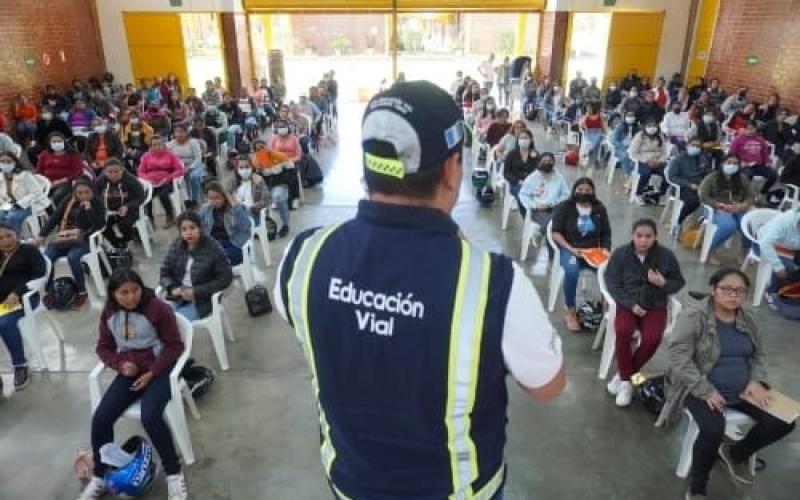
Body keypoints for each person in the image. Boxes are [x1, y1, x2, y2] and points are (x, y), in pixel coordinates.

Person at [274, 80, 564, 499]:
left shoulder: (302, 257)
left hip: (351, 483)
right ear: (451, 169)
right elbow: (548, 385)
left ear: (369, 165)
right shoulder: (494, 283)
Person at [659, 268, 796, 499]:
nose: (733, 295)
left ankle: (734, 453)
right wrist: (705, 390)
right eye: (727, 289)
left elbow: (759, 354)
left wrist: (756, 380)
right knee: (713, 430)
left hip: (744, 389)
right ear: (713, 290)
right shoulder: (694, 317)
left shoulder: (748, 317)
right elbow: (678, 357)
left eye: (740, 291)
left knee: (784, 421)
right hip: (699, 387)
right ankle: (698, 486)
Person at [76, 269, 188, 500]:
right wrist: (121, 364)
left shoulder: (158, 308)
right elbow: (104, 347)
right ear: (113, 294)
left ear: (141, 288)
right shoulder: (109, 313)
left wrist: (153, 372)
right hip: (131, 371)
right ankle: (99, 476)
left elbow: (175, 346)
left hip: (160, 369)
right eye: (123, 293)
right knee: (101, 417)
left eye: (135, 290)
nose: (131, 297)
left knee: (150, 416)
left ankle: (173, 473)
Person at [604, 218, 685, 407]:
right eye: (639, 236)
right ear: (632, 236)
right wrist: (631, 304)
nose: (643, 240)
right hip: (627, 304)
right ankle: (630, 381)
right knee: (623, 331)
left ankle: (623, 377)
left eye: (648, 236)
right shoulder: (620, 254)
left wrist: (663, 283)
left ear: (655, 237)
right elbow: (613, 284)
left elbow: (679, 282)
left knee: (653, 338)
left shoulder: (666, 256)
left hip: (655, 304)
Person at [551, 177, 612, 331]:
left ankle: (607, 307)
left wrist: (605, 249)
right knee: (571, 271)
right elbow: (556, 233)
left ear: (593, 192)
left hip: (593, 251)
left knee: (609, 270)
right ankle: (570, 310)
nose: (584, 193)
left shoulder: (599, 208)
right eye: (580, 190)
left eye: (587, 190)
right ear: (574, 191)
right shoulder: (565, 207)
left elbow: (606, 233)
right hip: (570, 248)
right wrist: (570, 248)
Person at [36, 179, 105, 309]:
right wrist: (42, 235)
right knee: (47, 257)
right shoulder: (69, 200)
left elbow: (99, 225)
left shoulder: (97, 203)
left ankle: (82, 292)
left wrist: (89, 210)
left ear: (92, 191)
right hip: (65, 237)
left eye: (87, 192)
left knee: (73, 257)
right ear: (75, 193)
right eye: (80, 193)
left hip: (85, 239)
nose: (83, 195)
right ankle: (49, 290)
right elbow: (55, 217)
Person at [160, 211, 233, 321]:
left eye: (192, 228)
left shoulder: (213, 248)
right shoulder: (177, 245)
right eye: (184, 229)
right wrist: (172, 287)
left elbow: (226, 278)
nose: (188, 233)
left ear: (200, 228)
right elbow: (164, 271)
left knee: (175, 322)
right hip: (177, 296)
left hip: (202, 300)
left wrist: (196, 292)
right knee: (161, 317)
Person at [0, 223, 46, 392]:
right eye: (0, 238)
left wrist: (17, 293)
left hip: (24, 299)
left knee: (4, 323)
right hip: (2, 303)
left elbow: (40, 275)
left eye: (9, 235)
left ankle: (20, 364)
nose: (6, 240)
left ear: (16, 235)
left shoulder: (29, 251)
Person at [698, 154, 754, 265]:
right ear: (722, 164)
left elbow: (750, 197)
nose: (732, 165)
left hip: (737, 209)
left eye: (735, 163)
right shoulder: (712, 177)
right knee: (728, 225)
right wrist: (718, 205)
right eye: (729, 162)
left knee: (748, 225)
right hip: (715, 209)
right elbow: (703, 196)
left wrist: (743, 205)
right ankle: (710, 251)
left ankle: (743, 253)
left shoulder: (742, 179)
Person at [95, 158, 145, 249]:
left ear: (121, 170)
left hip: (128, 209)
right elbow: (95, 196)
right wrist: (101, 207)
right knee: (100, 224)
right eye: (110, 172)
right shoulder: (100, 181)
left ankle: (128, 238)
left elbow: (140, 196)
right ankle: (116, 243)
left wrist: (127, 206)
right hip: (108, 211)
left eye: (116, 171)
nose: (113, 175)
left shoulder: (130, 180)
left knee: (124, 224)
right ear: (105, 172)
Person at [198, 182, 251, 266]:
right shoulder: (206, 210)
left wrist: (235, 206)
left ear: (225, 197)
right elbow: (195, 223)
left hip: (235, 245)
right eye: (211, 198)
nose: (214, 201)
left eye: (217, 198)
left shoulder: (236, 208)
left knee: (216, 259)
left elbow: (246, 226)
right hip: (215, 245)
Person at [517, 152, 569, 236]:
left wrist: (554, 203)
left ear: (553, 162)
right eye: (544, 161)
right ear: (539, 163)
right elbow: (523, 195)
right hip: (538, 210)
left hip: (555, 207)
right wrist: (535, 205)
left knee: (563, 219)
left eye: (549, 161)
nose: (547, 163)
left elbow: (566, 194)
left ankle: (542, 232)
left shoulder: (559, 178)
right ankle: (545, 233)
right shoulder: (532, 178)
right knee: (552, 224)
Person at [138, 135, 184, 227]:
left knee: (163, 193)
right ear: (151, 146)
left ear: (163, 144)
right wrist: (147, 180)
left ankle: (170, 216)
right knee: (146, 195)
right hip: (151, 183)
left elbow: (180, 170)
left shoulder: (170, 155)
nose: (157, 146)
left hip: (166, 182)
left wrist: (168, 178)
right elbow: (140, 172)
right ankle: (149, 219)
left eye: (159, 144)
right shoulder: (146, 156)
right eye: (154, 145)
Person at [757, 209, 800, 306]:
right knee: (787, 267)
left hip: (790, 245)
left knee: (794, 270)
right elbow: (765, 243)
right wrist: (778, 266)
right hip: (767, 244)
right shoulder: (785, 222)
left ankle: (788, 287)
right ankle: (771, 292)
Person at [667, 137, 713, 225]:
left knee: (715, 196)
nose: (695, 148)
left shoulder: (702, 158)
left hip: (700, 186)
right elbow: (672, 177)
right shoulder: (678, 159)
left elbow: (707, 173)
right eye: (693, 145)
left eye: (698, 146)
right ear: (687, 145)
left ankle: (704, 219)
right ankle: (678, 219)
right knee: (694, 200)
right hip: (682, 187)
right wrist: (689, 185)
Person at [252, 142, 293, 237]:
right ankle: (263, 225)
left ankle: (285, 224)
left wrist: (285, 182)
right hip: (264, 186)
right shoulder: (256, 161)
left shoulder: (279, 156)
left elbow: (291, 171)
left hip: (280, 183)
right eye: (258, 149)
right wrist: (259, 170)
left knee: (277, 196)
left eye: (262, 147)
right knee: (257, 200)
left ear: (267, 146)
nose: (261, 150)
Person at [0, 151, 48, 233]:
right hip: (7, 205)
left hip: (27, 205)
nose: (5, 164)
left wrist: (18, 204)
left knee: (12, 217)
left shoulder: (25, 175)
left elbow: (36, 193)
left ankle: (14, 237)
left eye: (8, 161)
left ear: (15, 163)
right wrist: (4, 203)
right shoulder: (1, 176)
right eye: (2, 161)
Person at [36, 131, 86, 207]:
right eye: (54, 142)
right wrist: (46, 182)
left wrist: (63, 180)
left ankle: (58, 212)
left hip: (66, 182)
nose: (57, 144)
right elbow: (39, 171)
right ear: (49, 143)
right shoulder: (44, 154)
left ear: (64, 142)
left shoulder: (72, 154)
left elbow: (78, 171)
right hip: (47, 182)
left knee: (57, 196)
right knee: (37, 195)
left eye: (59, 141)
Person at [728, 120, 776, 197]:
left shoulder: (760, 140)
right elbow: (731, 154)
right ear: (744, 129)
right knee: (747, 176)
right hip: (745, 165)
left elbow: (765, 153)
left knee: (773, 175)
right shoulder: (738, 139)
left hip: (759, 165)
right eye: (748, 129)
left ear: (756, 129)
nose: (750, 131)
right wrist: (740, 162)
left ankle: (762, 192)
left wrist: (767, 162)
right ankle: (742, 195)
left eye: (752, 129)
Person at [629, 117, 671, 205]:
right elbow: (633, 153)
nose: (652, 128)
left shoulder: (660, 136)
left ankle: (661, 193)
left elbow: (664, 152)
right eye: (649, 126)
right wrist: (647, 161)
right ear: (645, 127)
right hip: (643, 161)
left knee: (668, 173)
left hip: (658, 161)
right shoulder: (640, 136)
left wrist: (659, 161)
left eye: (654, 126)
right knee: (645, 173)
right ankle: (638, 193)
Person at [167, 124, 204, 203]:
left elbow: (198, 158)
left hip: (194, 165)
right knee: (177, 177)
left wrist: (190, 168)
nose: (178, 134)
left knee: (193, 177)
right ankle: (185, 200)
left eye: (181, 132)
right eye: (176, 132)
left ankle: (194, 199)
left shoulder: (193, 142)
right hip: (179, 167)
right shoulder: (170, 144)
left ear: (186, 132)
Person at [228, 157, 269, 226]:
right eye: (241, 167)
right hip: (237, 216)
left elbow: (267, 199)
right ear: (237, 169)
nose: (244, 170)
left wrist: (252, 208)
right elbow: (229, 199)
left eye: (247, 167)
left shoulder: (258, 180)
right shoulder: (233, 182)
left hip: (254, 214)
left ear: (251, 167)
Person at [502, 129, 539, 205]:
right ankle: (526, 212)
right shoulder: (511, 154)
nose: (523, 140)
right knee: (522, 195)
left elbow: (539, 171)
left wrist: (535, 159)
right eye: (521, 138)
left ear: (531, 140)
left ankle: (533, 210)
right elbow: (506, 173)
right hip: (516, 184)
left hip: (531, 184)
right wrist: (517, 181)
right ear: (518, 140)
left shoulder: (535, 154)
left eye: (526, 138)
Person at [611, 111, 641, 186]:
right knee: (625, 157)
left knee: (637, 159)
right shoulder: (620, 126)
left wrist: (633, 148)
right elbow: (614, 140)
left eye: (632, 116)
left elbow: (641, 140)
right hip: (621, 148)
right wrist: (623, 147)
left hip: (633, 148)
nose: (630, 118)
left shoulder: (638, 127)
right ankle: (628, 177)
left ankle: (632, 177)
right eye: (628, 116)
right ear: (625, 117)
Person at [579, 102, 607, 167]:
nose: (588, 109)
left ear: (593, 108)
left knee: (599, 137)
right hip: (589, 133)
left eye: (589, 108)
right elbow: (581, 126)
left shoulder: (599, 115)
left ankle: (590, 151)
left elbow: (603, 125)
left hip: (598, 132)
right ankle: (596, 160)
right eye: (587, 108)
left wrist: (605, 132)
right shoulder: (586, 116)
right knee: (598, 142)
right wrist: (586, 117)